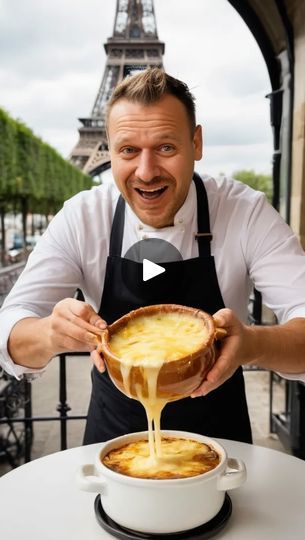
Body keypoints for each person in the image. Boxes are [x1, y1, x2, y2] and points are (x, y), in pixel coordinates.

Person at [1, 68, 305, 445]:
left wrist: (254, 344)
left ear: (196, 143)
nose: (146, 172)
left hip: (221, 449)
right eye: (128, 150)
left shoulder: (246, 211)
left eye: (165, 148)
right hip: (114, 443)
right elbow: (9, 329)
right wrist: (50, 332)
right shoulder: (82, 216)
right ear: (109, 150)